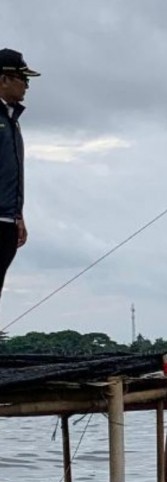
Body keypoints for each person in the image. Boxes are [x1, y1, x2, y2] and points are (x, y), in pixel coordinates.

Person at [0, 49, 38, 306]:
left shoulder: (12, 119)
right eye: (22, 78)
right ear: (4, 79)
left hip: (7, 219)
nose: (26, 85)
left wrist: (18, 215)